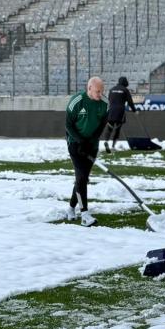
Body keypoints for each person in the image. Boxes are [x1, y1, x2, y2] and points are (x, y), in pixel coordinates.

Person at [65, 76, 108, 226]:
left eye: (102, 91)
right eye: (97, 91)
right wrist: (79, 141)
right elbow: (68, 125)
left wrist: (91, 142)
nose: (100, 94)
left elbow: (102, 125)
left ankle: (71, 209)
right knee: (82, 178)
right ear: (89, 88)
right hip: (75, 144)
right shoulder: (77, 101)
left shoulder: (104, 104)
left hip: (92, 145)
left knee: (82, 179)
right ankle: (84, 214)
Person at [103, 76, 137, 153]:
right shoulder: (125, 90)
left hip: (111, 111)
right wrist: (134, 111)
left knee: (110, 127)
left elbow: (108, 101)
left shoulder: (111, 90)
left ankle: (106, 141)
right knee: (117, 129)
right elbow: (130, 102)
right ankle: (113, 146)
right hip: (120, 111)